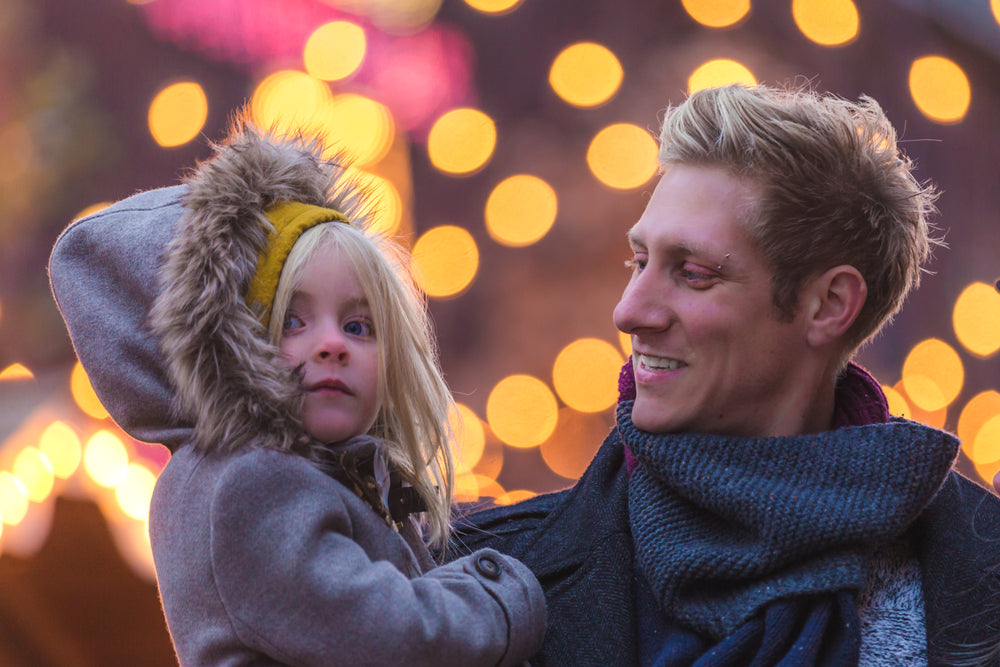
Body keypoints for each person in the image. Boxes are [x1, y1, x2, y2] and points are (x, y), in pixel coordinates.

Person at [451, 84, 1000, 666]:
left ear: (829, 305)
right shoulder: (479, 582)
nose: (629, 312)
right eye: (638, 262)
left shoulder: (977, 575)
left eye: (691, 273)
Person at [49, 115, 545, 666]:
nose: (333, 345)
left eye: (358, 326)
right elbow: (388, 637)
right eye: (292, 320)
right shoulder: (251, 485)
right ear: (229, 348)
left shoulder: (289, 475)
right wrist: (503, 593)